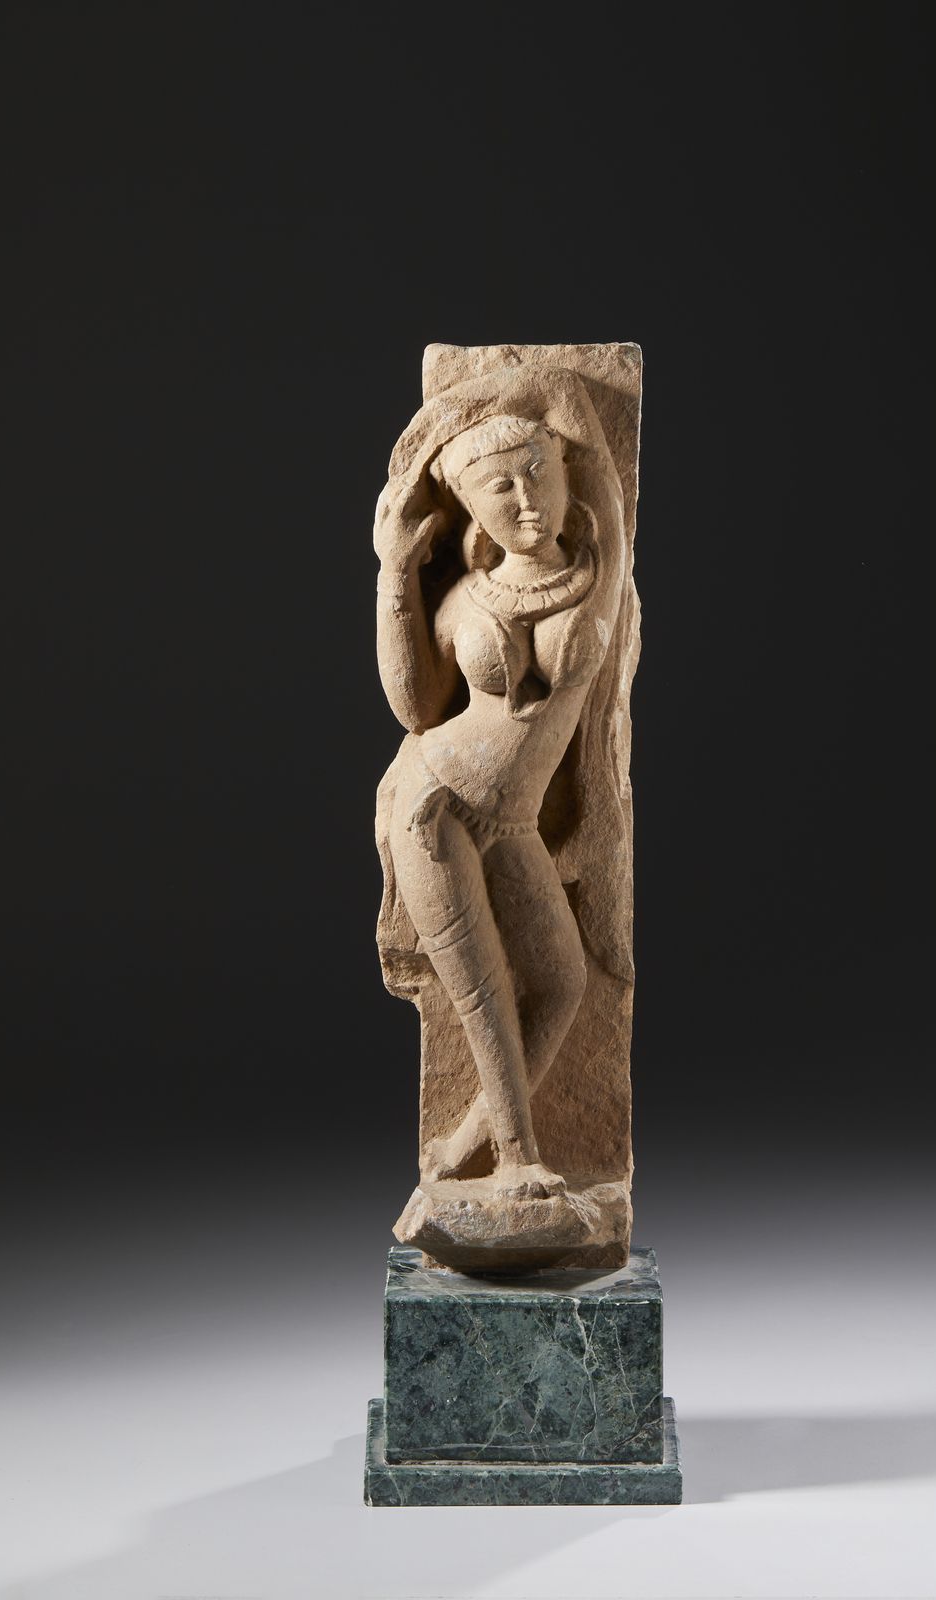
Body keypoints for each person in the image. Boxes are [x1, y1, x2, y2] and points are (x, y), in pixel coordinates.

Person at [374, 371, 626, 1200]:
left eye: (538, 475)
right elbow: (416, 708)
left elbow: (581, 425)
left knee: (562, 981)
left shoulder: (599, 569)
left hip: (512, 823)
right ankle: (516, 1158)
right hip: (435, 806)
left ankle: (466, 1140)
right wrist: (394, 574)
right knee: (482, 991)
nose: (526, 501)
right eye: (499, 488)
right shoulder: (462, 599)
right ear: (471, 511)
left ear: (564, 475)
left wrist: (493, 395)